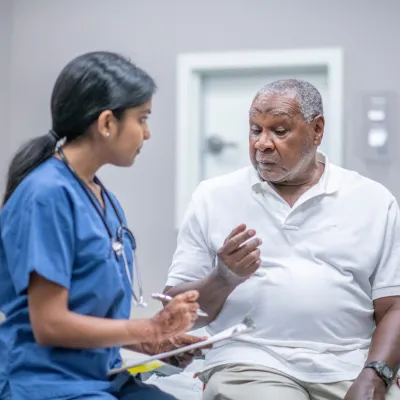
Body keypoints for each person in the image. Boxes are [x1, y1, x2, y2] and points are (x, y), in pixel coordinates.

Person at [164, 79, 400, 400]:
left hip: (350, 365)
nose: (262, 143)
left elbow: (393, 306)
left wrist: (377, 374)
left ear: (317, 131)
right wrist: (223, 277)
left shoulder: (372, 199)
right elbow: (175, 318)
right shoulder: (213, 197)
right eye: (255, 129)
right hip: (251, 360)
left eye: (279, 131)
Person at [0, 51, 206, 400]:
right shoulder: (46, 195)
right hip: (50, 383)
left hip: (103, 375)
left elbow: (92, 314)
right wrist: (149, 327)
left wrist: (157, 340)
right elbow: (49, 324)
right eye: (142, 119)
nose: (148, 133)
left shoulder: (102, 198)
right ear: (107, 122)